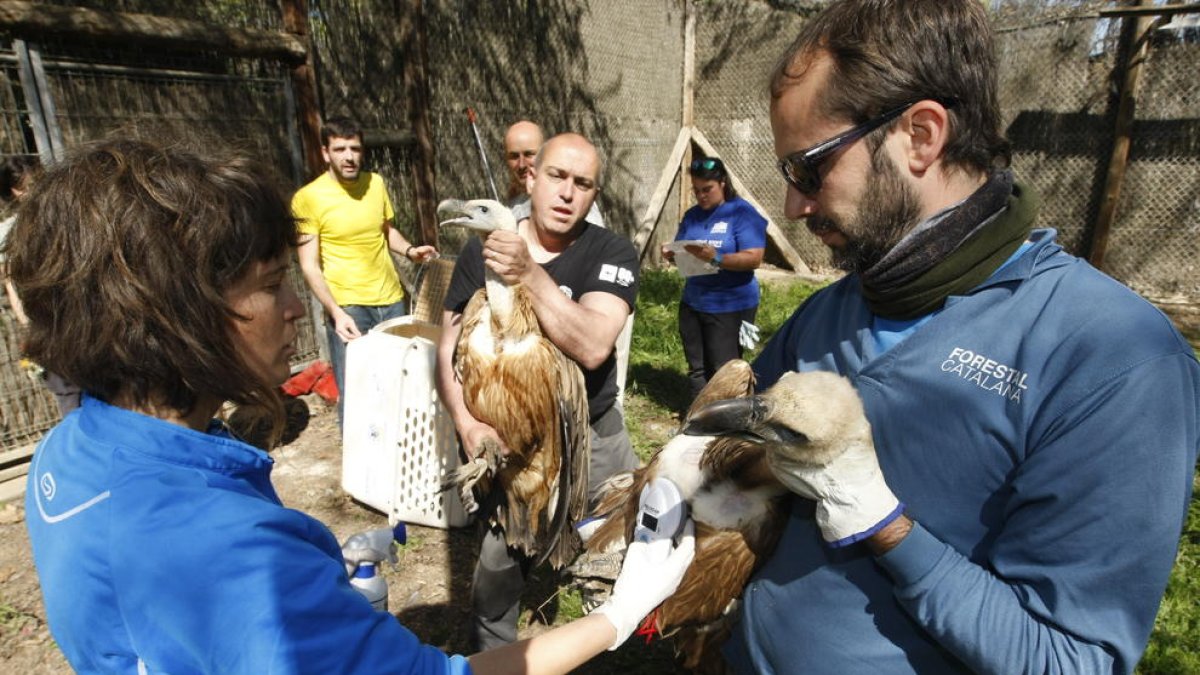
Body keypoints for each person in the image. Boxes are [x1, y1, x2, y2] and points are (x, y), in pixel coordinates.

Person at [14, 137, 694, 674]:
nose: (296, 307)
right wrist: (617, 617)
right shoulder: (228, 551)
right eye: (272, 284)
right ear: (180, 315)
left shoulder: (68, 453)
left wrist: (313, 575)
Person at [723, 1, 1200, 673]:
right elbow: (744, 475)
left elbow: (1069, 658)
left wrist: (886, 527)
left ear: (920, 136)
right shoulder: (831, 310)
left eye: (808, 168)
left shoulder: (1113, 359)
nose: (794, 205)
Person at [437, 132, 641, 650]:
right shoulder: (480, 252)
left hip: (591, 435)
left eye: (583, 184)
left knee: (629, 551)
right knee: (495, 577)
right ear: (531, 178)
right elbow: (448, 347)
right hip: (511, 447)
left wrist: (529, 272)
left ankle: (615, 641)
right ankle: (496, 659)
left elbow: (593, 346)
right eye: (557, 176)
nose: (567, 193)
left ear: (594, 195)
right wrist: (467, 423)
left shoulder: (611, 252)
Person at [292, 117, 437, 424]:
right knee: (357, 395)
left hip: (391, 301)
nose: (349, 156)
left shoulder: (376, 184)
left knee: (400, 384)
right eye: (340, 149)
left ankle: (402, 448)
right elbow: (309, 265)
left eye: (355, 149)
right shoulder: (308, 198)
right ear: (325, 153)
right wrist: (336, 312)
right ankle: (359, 455)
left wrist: (411, 251)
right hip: (349, 309)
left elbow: (386, 231)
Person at [661, 156, 766, 401]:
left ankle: (729, 416)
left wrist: (716, 258)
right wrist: (672, 255)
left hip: (730, 304)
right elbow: (685, 253)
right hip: (694, 301)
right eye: (696, 190)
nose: (701, 196)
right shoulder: (692, 215)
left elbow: (754, 258)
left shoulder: (742, 213)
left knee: (724, 370)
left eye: (707, 189)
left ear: (723, 184)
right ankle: (697, 415)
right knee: (697, 368)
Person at [0, 155, 80, 416]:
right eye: (24, 186)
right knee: (67, 388)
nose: (32, 190)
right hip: (45, 316)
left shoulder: (60, 215)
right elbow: (11, 283)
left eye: (35, 182)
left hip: (75, 307)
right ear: (13, 191)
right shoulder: (8, 231)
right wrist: (28, 324)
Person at [503, 120, 605, 227]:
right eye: (514, 156)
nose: (522, 165)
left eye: (529, 154)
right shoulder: (515, 203)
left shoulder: (569, 198)